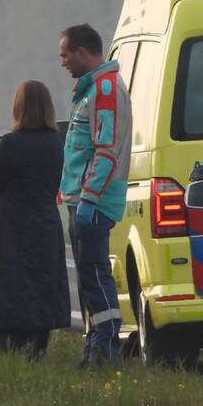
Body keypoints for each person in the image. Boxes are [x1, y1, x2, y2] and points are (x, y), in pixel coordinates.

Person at [0, 80, 70, 358]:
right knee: (42, 281)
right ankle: (37, 344)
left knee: (9, 282)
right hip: (46, 222)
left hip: (12, 223)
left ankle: (6, 342)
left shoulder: (11, 144)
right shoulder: (56, 143)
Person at [58, 23, 132, 367]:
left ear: (83, 52)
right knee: (89, 274)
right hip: (83, 198)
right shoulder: (90, 89)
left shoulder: (104, 89)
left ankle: (105, 343)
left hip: (95, 200)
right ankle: (96, 342)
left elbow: (105, 149)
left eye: (65, 54)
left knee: (95, 272)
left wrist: (88, 197)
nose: (62, 62)